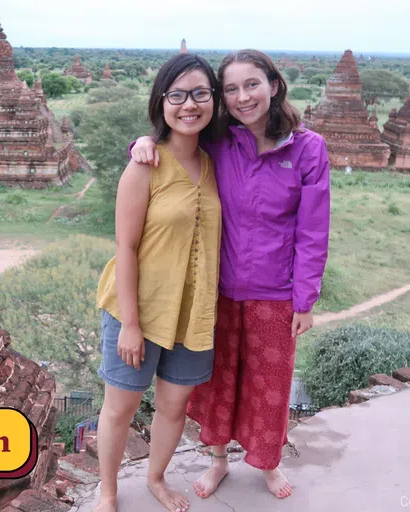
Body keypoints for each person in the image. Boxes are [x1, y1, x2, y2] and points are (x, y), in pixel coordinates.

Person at [130, 49, 331, 500]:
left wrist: (305, 301)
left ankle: (269, 463)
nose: (243, 97)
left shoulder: (307, 149)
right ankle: (219, 460)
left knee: (270, 386)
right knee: (217, 382)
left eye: (252, 85)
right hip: (217, 290)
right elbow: (172, 147)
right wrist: (141, 143)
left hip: (275, 293)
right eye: (232, 88)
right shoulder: (220, 142)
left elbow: (313, 232)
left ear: (274, 85)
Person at [94, 53, 223, 512]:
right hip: (140, 310)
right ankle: (108, 491)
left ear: (214, 100)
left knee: (173, 408)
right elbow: (125, 248)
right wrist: (130, 323)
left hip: (193, 313)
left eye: (201, 94)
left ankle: (155, 478)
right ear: (162, 102)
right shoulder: (145, 164)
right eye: (177, 95)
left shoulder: (217, 162)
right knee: (120, 408)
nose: (190, 105)